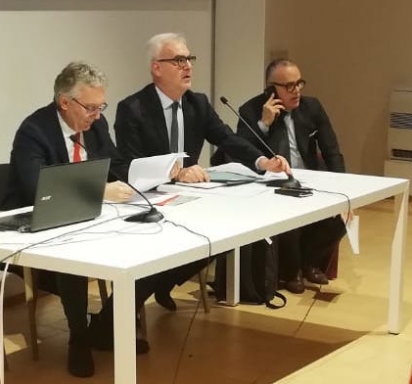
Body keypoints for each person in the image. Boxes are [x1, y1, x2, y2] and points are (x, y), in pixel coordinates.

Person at [114, 33, 292, 311]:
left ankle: (163, 283)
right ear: (156, 68)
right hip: (148, 199)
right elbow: (129, 165)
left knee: (222, 236)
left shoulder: (197, 103)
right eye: (178, 60)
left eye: (189, 59)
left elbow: (226, 138)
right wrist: (174, 173)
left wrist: (263, 161)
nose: (188, 66)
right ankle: (129, 309)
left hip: (188, 198)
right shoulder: (133, 109)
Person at [5, 61, 156, 378]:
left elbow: (117, 166)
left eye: (101, 107)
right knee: (73, 256)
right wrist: (99, 191)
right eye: (90, 108)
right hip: (44, 226)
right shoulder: (34, 131)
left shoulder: (96, 126)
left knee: (151, 244)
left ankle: (106, 327)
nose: (97, 115)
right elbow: (39, 188)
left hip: (95, 217)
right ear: (64, 102)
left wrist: (152, 177)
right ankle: (79, 338)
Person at [236, 58, 348, 294]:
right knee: (290, 213)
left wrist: (343, 188)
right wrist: (264, 124)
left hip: (310, 181)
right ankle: (291, 271)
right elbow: (241, 151)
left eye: (299, 83)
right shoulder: (250, 110)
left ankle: (308, 262)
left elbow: (331, 150)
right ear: (271, 89)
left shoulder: (312, 107)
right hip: (272, 185)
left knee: (342, 218)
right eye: (289, 86)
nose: (296, 90)